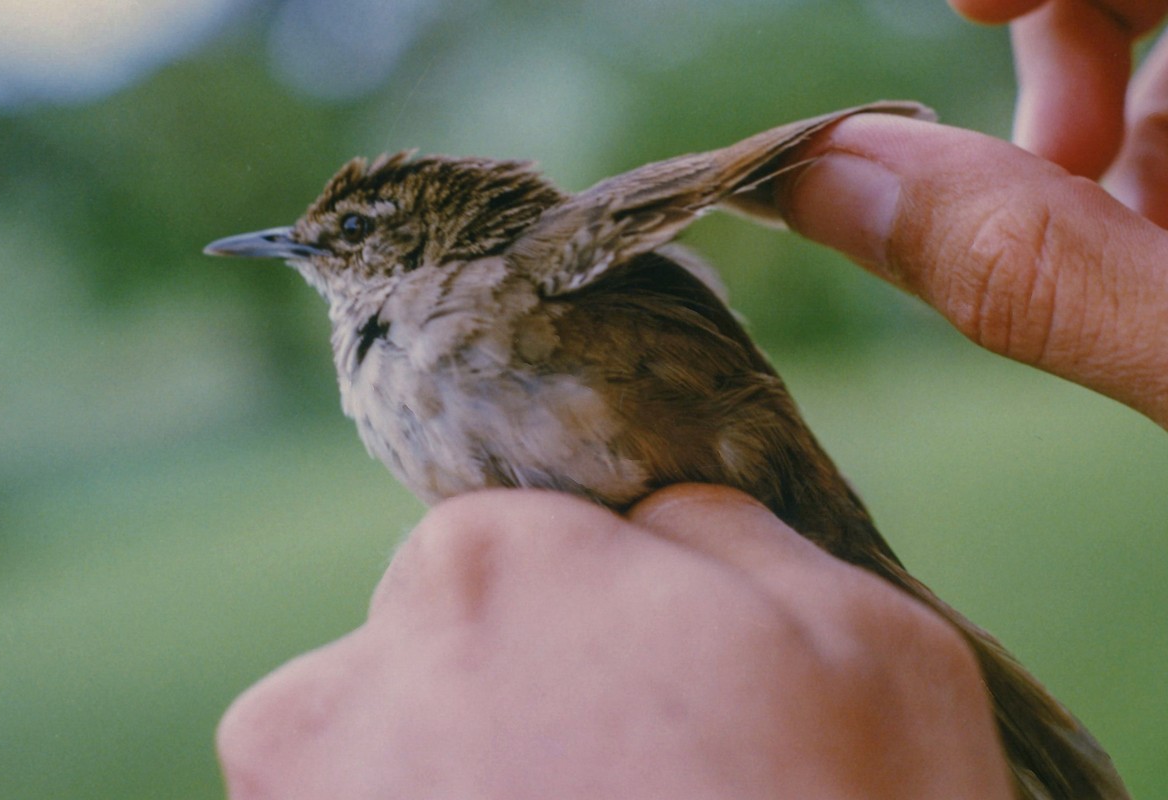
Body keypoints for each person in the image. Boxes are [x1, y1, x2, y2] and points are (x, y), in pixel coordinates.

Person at [216, 2, 1168, 796]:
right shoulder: (402, 340)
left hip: (733, 469)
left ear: (416, 240)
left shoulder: (516, 270)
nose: (313, 252)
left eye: (343, 232)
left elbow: (670, 190)